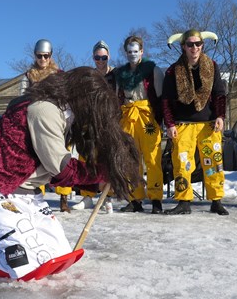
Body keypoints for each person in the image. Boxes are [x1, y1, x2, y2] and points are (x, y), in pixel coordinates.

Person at [0, 67, 141, 279]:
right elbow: (63, 170)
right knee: (30, 262)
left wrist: (95, 184)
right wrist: (104, 173)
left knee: (59, 256)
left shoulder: (62, 114)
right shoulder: (45, 110)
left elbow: (49, 170)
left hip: (25, 196)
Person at [161, 29, 228, 215]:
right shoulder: (173, 70)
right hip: (183, 124)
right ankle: (183, 201)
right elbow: (166, 100)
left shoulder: (212, 66)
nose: (194, 48)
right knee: (182, 164)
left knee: (213, 162)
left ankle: (216, 200)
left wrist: (220, 116)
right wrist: (170, 124)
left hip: (208, 123)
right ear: (183, 46)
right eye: (190, 44)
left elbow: (219, 94)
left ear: (202, 45)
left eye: (198, 44)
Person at [114, 35, 164, 213]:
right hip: (128, 117)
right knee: (131, 159)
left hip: (147, 117)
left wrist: (160, 121)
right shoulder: (120, 74)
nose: (132, 55)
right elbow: (118, 97)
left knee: (152, 158)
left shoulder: (153, 71)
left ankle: (156, 198)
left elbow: (160, 98)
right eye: (129, 52)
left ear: (142, 51)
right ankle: (135, 199)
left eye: (136, 51)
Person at [24, 39, 72, 212]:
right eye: (39, 56)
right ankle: (37, 194)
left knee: (59, 157)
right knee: (36, 159)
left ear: (50, 56)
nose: (42, 59)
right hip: (34, 121)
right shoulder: (29, 75)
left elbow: (66, 99)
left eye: (46, 56)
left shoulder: (59, 75)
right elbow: (23, 99)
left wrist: (66, 123)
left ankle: (64, 196)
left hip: (54, 121)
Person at [71, 40, 115, 212]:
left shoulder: (115, 75)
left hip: (109, 122)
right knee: (87, 157)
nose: (101, 61)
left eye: (104, 57)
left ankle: (107, 197)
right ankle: (87, 196)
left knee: (107, 159)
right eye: (97, 57)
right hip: (90, 123)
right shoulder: (89, 77)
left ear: (108, 57)